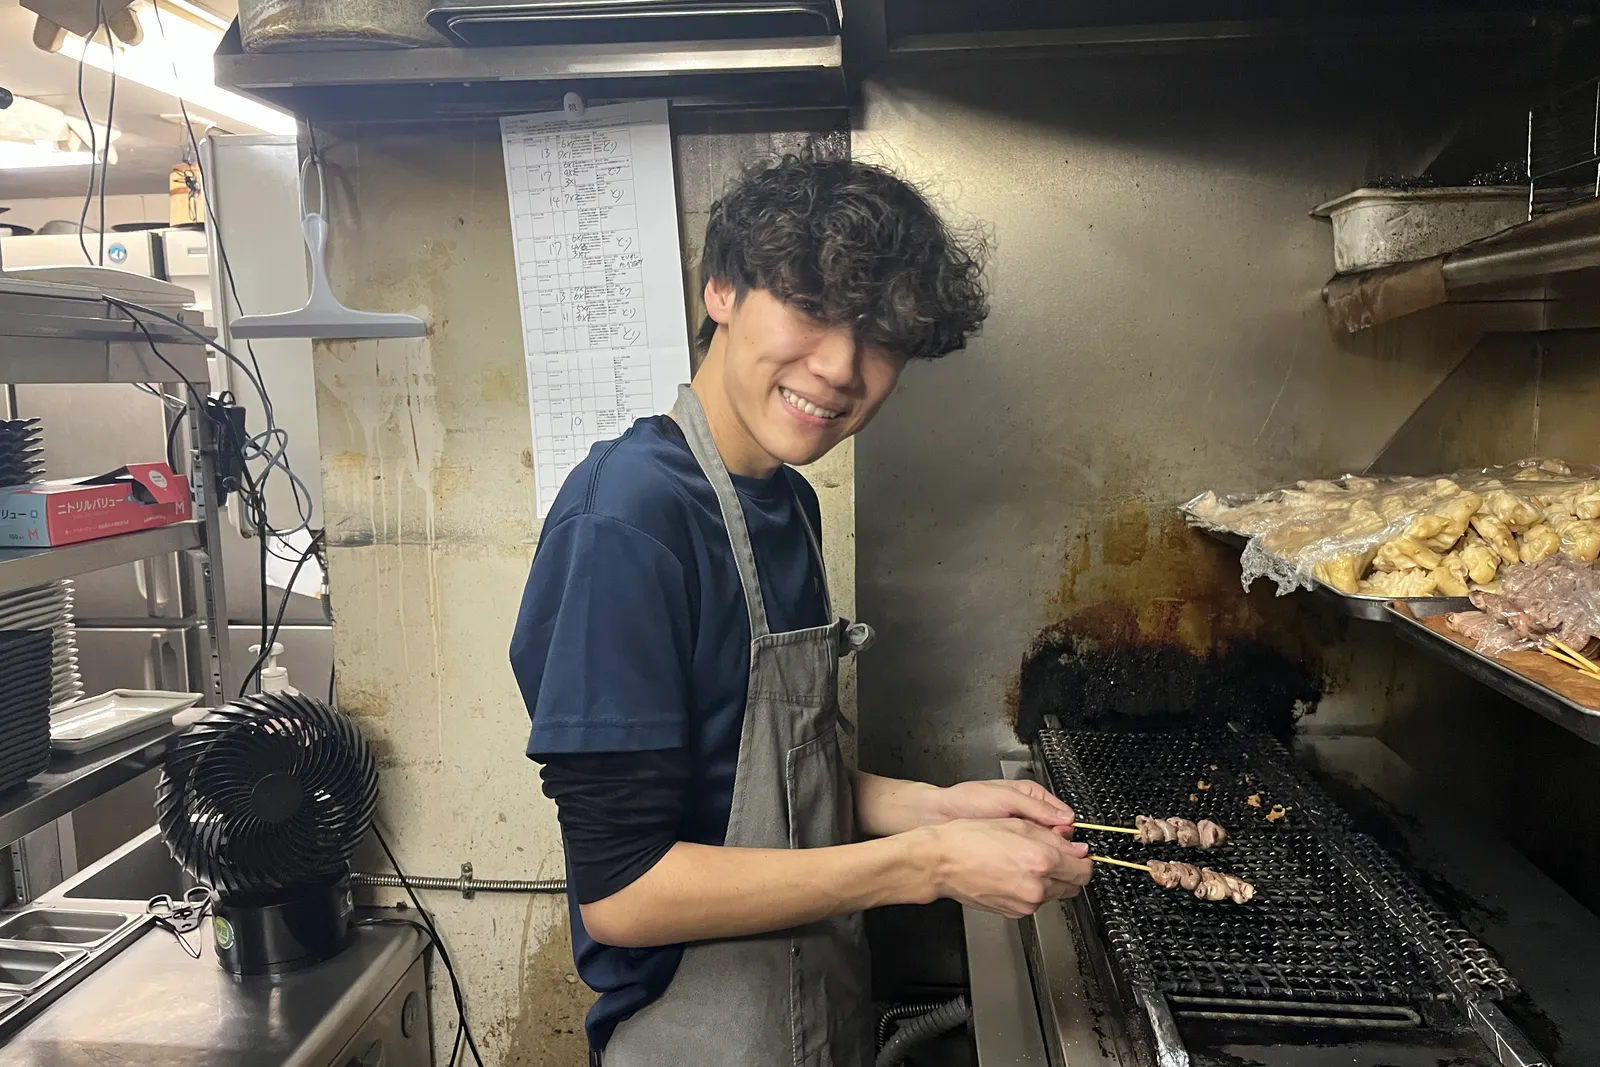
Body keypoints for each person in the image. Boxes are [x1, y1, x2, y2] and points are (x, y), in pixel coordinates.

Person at [510, 153, 1095, 1067]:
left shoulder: (787, 500)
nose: (839, 367)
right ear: (721, 291)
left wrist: (938, 809)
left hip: (810, 1018)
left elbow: (764, 784)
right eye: (811, 308)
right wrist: (927, 865)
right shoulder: (628, 521)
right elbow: (624, 891)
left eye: (882, 339)